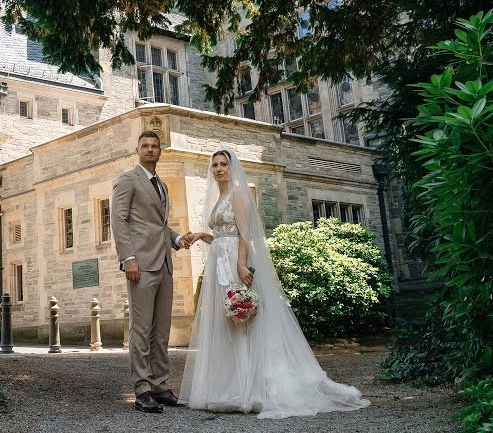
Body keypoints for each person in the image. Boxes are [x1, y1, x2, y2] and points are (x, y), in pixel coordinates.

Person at [181, 149, 370, 418]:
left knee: (243, 320)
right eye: (215, 165)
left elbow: (244, 235)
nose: (219, 168)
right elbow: (222, 235)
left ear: (232, 167)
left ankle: (251, 390)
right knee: (226, 323)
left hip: (236, 263)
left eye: (224, 164)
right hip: (219, 264)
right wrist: (202, 235)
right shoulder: (219, 197)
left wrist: (241, 264)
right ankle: (229, 387)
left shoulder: (238, 194)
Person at [110, 130, 196, 414]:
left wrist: (176, 239)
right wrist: (128, 257)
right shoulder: (127, 180)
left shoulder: (162, 186)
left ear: (160, 151)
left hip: (165, 264)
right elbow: (119, 220)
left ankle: (160, 386)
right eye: (145, 145)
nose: (150, 149)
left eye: (154, 146)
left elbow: (158, 226)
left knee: (161, 331)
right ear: (137, 150)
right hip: (141, 265)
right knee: (141, 329)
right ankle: (142, 389)